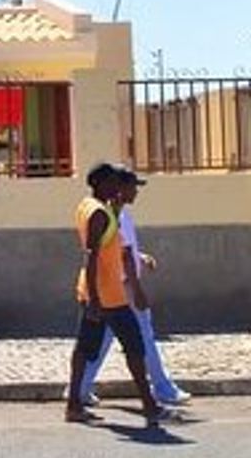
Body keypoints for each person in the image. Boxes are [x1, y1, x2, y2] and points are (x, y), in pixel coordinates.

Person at [67, 166, 190, 408]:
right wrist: (102, 297)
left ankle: (76, 399)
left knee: (92, 348)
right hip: (110, 293)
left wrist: (139, 258)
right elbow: (94, 256)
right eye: (117, 183)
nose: (129, 190)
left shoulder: (106, 211)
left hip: (107, 291)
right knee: (135, 347)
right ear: (105, 184)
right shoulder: (101, 214)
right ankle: (153, 399)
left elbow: (114, 249)